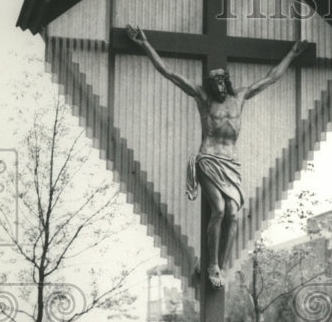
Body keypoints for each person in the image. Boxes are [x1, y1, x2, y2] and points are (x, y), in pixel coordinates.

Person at [126, 24, 308, 288]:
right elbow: (170, 73)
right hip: (209, 159)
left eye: (223, 82)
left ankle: (218, 266)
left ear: (228, 82)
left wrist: (291, 53)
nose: (220, 87)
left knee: (233, 213)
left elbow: (270, 78)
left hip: (231, 163)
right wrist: (145, 44)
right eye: (215, 84)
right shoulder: (203, 98)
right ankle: (211, 263)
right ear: (210, 86)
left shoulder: (240, 97)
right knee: (219, 210)